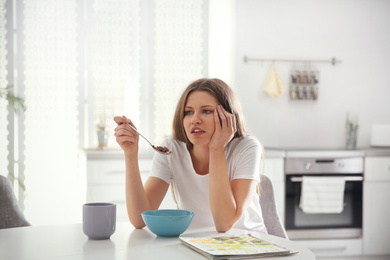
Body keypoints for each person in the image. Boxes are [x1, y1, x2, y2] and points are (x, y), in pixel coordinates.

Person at [114, 78, 266, 233]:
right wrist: (130, 154)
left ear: (228, 116)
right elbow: (139, 220)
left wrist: (216, 149)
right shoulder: (171, 148)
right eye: (188, 112)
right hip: (197, 242)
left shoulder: (246, 147)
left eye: (206, 111)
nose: (195, 120)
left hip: (249, 242)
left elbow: (223, 224)